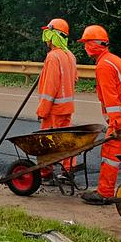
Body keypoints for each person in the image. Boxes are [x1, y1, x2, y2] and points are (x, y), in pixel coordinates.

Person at [78, 25, 121, 205]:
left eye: (86, 43)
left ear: (93, 45)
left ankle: (105, 193)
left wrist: (116, 124)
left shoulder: (103, 66)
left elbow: (112, 98)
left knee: (110, 155)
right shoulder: (114, 60)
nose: (84, 47)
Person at [36, 18, 78, 178]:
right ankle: (69, 168)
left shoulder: (53, 57)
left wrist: (42, 110)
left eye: (47, 34)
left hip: (54, 109)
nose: (45, 38)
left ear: (52, 35)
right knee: (65, 140)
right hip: (67, 107)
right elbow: (74, 79)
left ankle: (45, 171)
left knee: (46, 142)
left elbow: (50, 87)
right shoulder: (70, 56)